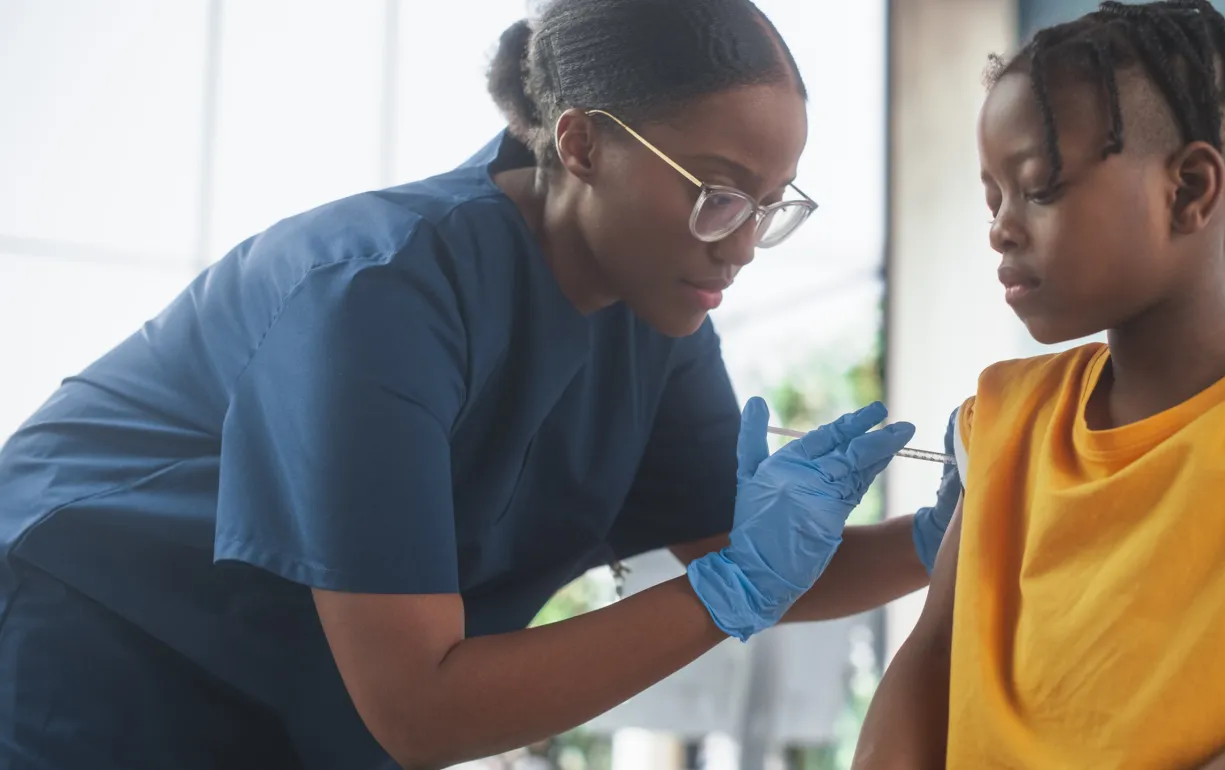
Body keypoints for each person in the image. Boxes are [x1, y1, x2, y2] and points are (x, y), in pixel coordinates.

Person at [0, 2, 961, 768]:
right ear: (581, 144)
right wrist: (731, 591)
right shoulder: (376, 295)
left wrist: (949, 532)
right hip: (92, 651)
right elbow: (422, 710)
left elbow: (749, 558)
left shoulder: (655, 312)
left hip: (297, 706)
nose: (743, 244)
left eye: (769, 204)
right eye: (716, 192)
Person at [854, 2, 1225, 768]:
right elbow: (931, 659)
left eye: (1038, 188)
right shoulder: (1002, 415)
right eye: (994, 197)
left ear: (1188, 189)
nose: (1000, 227)